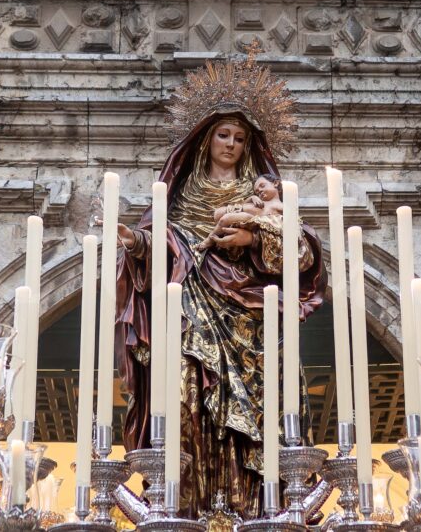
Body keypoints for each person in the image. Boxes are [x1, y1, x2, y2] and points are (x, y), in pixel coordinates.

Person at [112, 52, 326, 519]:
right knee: (186, 397)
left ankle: (257, 503)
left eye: (239, 137)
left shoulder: (264, 194)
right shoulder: (179, 193)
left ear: (249, 145)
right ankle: (182, 503)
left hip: (252, 322)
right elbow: (164, 241)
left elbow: (303, 255)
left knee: (263, 408)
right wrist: (137, 244)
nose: (230, 144)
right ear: (206, 139)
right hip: (188, 312)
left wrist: (255, 235)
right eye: (223, 135)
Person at [195, 174, 285, 252]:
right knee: (224, 219)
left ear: (276, 183)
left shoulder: (281, 205)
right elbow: (243, 207)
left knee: (228, 218)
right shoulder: (258, 202)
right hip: (245, 219)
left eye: (262, 186)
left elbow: (285, 223)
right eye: (257, 192)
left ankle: (210, 239)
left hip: (259, 223)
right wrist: (252, 198)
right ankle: (211, 238)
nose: (259, 191)